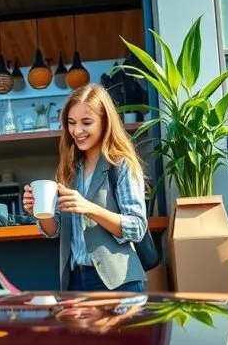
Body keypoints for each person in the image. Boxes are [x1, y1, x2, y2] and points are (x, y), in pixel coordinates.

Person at [22, 83, 148, 293]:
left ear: (105, 122)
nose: (77, 131)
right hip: (75, 282)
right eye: (71, 123)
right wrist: (39, 211)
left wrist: (89, 208)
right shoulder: (68, 169)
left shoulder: (120, 164)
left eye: (86, 122)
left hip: (118, 282)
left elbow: (137, 227)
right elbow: (56, 230)